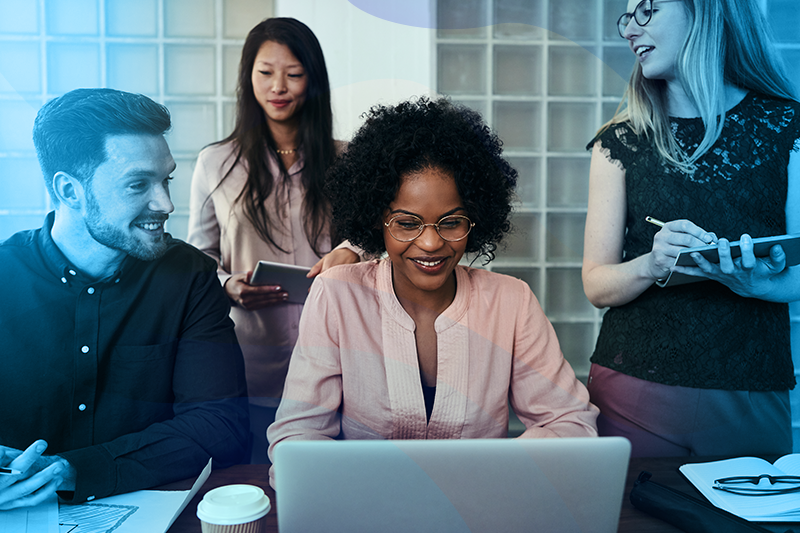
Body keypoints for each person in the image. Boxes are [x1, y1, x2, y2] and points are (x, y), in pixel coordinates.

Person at [267, 97, 599, 483]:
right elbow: (297, 437)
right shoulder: (337, 296)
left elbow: (571, 423)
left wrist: (496, 474)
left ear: (475, 218)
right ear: (377, 219)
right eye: (407, 223)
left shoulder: (511, 302)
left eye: (451, 222)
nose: (430, 243)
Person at [0, 88, 249, 509]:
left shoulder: (189, 277)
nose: (166, 204)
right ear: (70, 190)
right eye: (138, 184)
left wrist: (80, 468)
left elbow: (221, 425)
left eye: (166, 179)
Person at [582, 0, 800, 457]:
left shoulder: (789, 128)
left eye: (647, 10)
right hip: (631, 390)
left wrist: (757, 284)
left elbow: (796, 276)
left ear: (706, 12)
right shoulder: (618, 142)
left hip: (751, 389)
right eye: (627, 17)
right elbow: (596, 284)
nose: (630, 29)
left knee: (749, 527)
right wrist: (652, 264)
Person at [187, 18, 358, 464]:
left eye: (294, 74)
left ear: (313, 80)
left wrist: (351, 249)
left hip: (338, 352)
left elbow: (379, 233)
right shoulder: (216, 162)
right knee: (257, 487)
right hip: (249, 358)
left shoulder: (346, 158)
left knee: (334, 493)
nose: (278, 86)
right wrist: (227, 284)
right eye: (265, 72)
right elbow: (198, 254)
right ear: (249, 77)